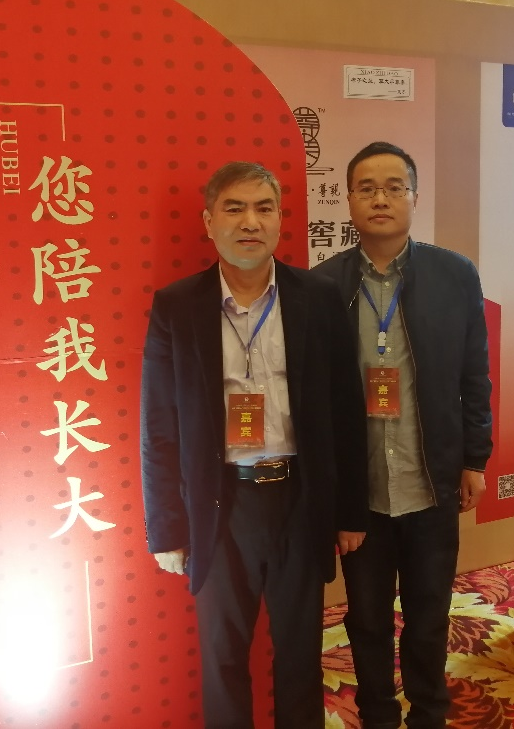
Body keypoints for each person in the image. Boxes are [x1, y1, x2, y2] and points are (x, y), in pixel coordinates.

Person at [140, 161, 369, 729]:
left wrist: (349, 512)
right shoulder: (177, 306)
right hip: (221, 505)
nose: (250, 222)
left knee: (300, 654)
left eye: (264, 208)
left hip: (298, 500)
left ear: (280, 219)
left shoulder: (317, 297)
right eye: (235, 208)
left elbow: (346, 412)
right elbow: (159, 426)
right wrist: (167, 527)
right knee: (222, 657)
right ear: (209, 222)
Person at [314, 142, 493, 729]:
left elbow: (474, 375)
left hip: (430, 482)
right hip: (361, 496)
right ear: (348, 200)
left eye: (395, 187)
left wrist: (474, 458)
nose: (381, 199)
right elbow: (315, 401)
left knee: (429, 614)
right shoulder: (322, 285)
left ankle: (429, 714)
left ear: (415, 197)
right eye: (367, 188)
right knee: (365, 618)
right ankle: (378, 715)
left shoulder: (454, 275)